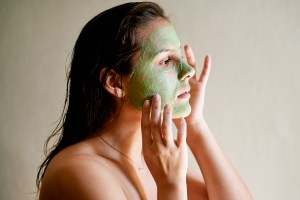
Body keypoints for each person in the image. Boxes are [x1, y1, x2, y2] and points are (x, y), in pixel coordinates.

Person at [37, 2, 252, 199]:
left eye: (181, 57)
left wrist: (195, 125)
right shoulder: (80, 171)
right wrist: (170, 187)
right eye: (166, 60)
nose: (187, 71)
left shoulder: (152, 163)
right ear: (115, 83)